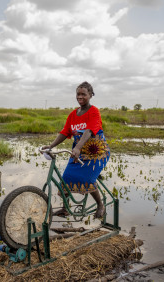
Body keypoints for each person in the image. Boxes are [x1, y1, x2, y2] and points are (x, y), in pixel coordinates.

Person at [41, 81, 110, 219]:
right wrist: (51, 145)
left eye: (83, 94)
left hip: (96, 152)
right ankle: (65, 209)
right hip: (78, 152)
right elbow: (65, 132)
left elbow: (89, 130)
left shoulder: (94, 111)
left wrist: (78, 147)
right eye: (78, 94)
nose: (80, 97)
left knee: (87, 179)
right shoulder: (73, 114)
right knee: (66, 178)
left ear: (90, 95)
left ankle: (100, 205)